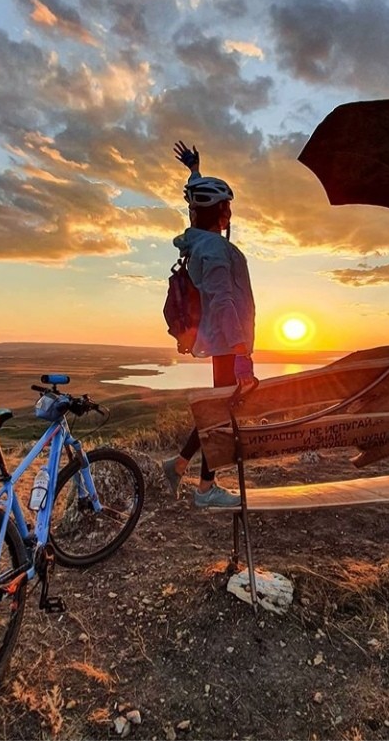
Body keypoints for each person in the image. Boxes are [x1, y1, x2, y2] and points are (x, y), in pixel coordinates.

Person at [162, 140, 258, 507]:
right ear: (218, 211)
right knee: (221, 416)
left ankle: (178, 465)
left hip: (221, 341)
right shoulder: (215, 249)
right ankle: (204, 489)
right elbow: (222, 301)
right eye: (226, 206)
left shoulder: (199, 242)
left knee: (218, 410)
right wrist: (240, 353)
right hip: (226, 343)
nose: (230, 212)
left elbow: (192, 199)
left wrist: (194, 171)